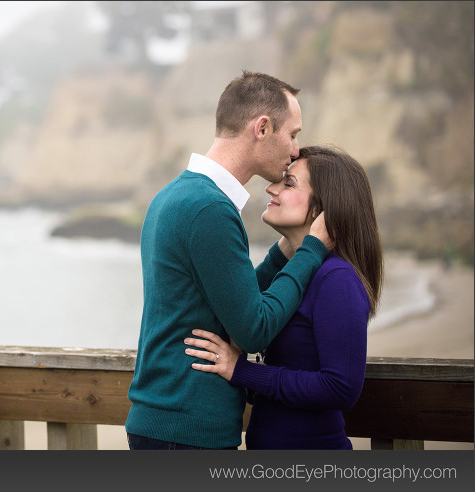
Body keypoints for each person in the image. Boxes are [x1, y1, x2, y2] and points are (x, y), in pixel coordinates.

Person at [125, 71, 333, 450]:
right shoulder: (209, 209)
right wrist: (312, 249)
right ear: (263, 128)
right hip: (186, 428)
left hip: (166, 420)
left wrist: (283, 253)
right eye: (293, 134)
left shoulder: (174, 195)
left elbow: (228, 301)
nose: (296, 151)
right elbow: (253, 328)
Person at [185, 146, 383, 449]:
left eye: (289, 183)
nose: (271, 187)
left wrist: (242, 371)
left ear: (320, 209)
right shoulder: (300, 272)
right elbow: (249, 316)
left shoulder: (336, 279)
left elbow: (341, 388)